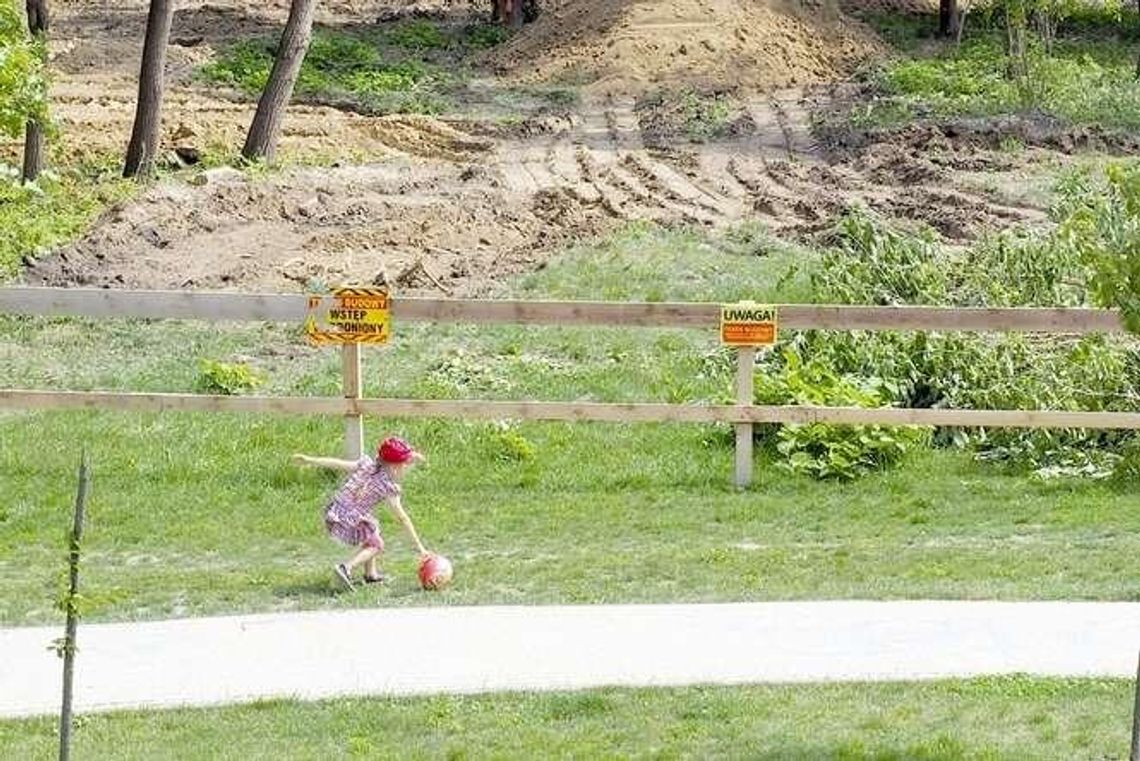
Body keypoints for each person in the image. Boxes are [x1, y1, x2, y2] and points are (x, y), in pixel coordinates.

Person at [292, 436, 429, 590]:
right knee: (377, 545)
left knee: (372, 528)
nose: (407, 467)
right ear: (395, 467)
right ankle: (346, 568)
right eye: (406, 464)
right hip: (347, 523)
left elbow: (338, 464)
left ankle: (371, 574)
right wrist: (420, 548)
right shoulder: (388, 486)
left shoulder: (368, 465)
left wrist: (310, 460)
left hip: (335, 513)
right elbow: (402, 518)